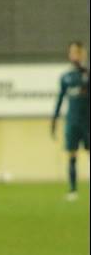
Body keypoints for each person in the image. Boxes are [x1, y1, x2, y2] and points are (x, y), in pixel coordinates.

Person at [51, 41, 89, 201]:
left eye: (77, 52)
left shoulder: (87, 74)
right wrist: (54, 121)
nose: (75, 55)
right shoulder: (65, 77)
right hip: (72, 121)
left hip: (87, 122)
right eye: (72, 52)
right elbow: (60, 99)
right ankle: (73, 190)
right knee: (71, 154)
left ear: (83, 54)